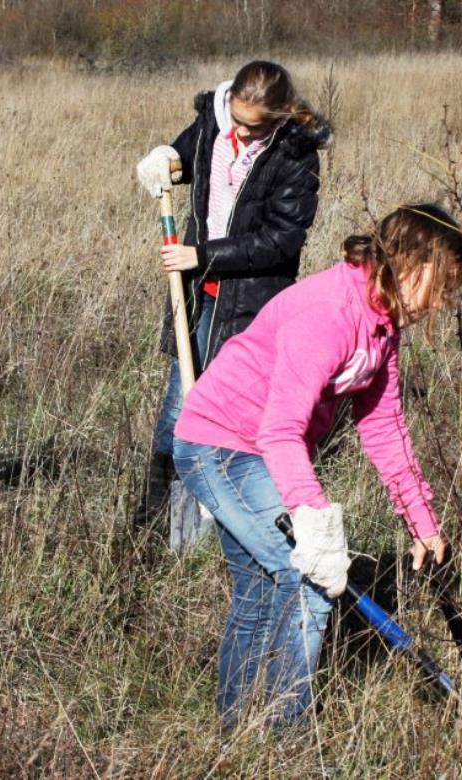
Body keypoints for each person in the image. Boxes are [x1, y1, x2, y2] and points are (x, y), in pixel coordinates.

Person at [173, 203, 462, 730]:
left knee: (262, 588)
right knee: (308, 581)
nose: (441, 302)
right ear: (411, 264)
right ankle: (288, 734)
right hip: (221, 444)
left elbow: (384, 429)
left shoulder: (383, 326)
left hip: (260, 450)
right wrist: (312, 519)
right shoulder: (330, 312)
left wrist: (422, 523)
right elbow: (280, 429)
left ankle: (234, 729)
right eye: (441, 284)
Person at [132, 60, 332, 534]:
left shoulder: (294, 154)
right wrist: (164, 159)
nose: (240, 134)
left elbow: (281, 241)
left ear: (281, 116)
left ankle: (222, 521)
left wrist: (200, 255)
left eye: (253, 127)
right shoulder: (213, 121)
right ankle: (155, 522)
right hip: (198, 296)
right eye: (235, 121)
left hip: (250, 306)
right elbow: (186, 155)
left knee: (229, 421)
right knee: (178, 411)